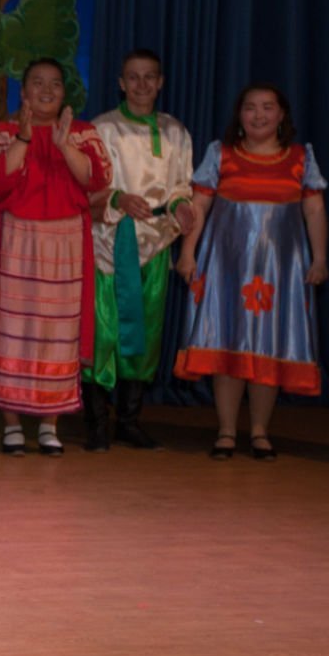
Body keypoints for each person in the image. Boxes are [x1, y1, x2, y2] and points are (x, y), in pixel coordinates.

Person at [174, 83, 327, 460]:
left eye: (267, 107)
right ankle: (226, 431)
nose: (259, 115)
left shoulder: (300, 158)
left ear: (281, 114)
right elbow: (199, 206)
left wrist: (319, 258)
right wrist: (188, 253)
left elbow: (314, 210)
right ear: (239, 115)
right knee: (228, 344)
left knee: (267, 347)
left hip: (280, 272)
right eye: (250, 107)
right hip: (227, 268)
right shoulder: (220, 154)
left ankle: (260, 431)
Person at [0, 59, 111, 455]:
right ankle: (11, 425)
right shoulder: (4, 132)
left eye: (54, 84)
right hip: (17, 239)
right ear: (23, 92)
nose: (46, 90)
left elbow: (96, 179)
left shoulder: (82, 133)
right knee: (14, 331)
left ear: (64, 93)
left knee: (59, 335)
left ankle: (49, 424)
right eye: (37, 83)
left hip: (65, 242)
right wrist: (24, 138)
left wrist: (63, 145)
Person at [81, 49, 196, 451]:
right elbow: (88, 185)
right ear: (121, 82)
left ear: (160, 82)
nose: (142, 84)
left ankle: (128, 420)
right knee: (104, 331)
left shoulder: (175, 132)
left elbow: (181, 185)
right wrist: (117, 198)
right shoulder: (102, 129)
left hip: (155, 242)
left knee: (146, 330)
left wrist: (180, 205)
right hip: (110, 242)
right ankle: (96, 421)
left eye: (150, 77)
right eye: (133, 77)